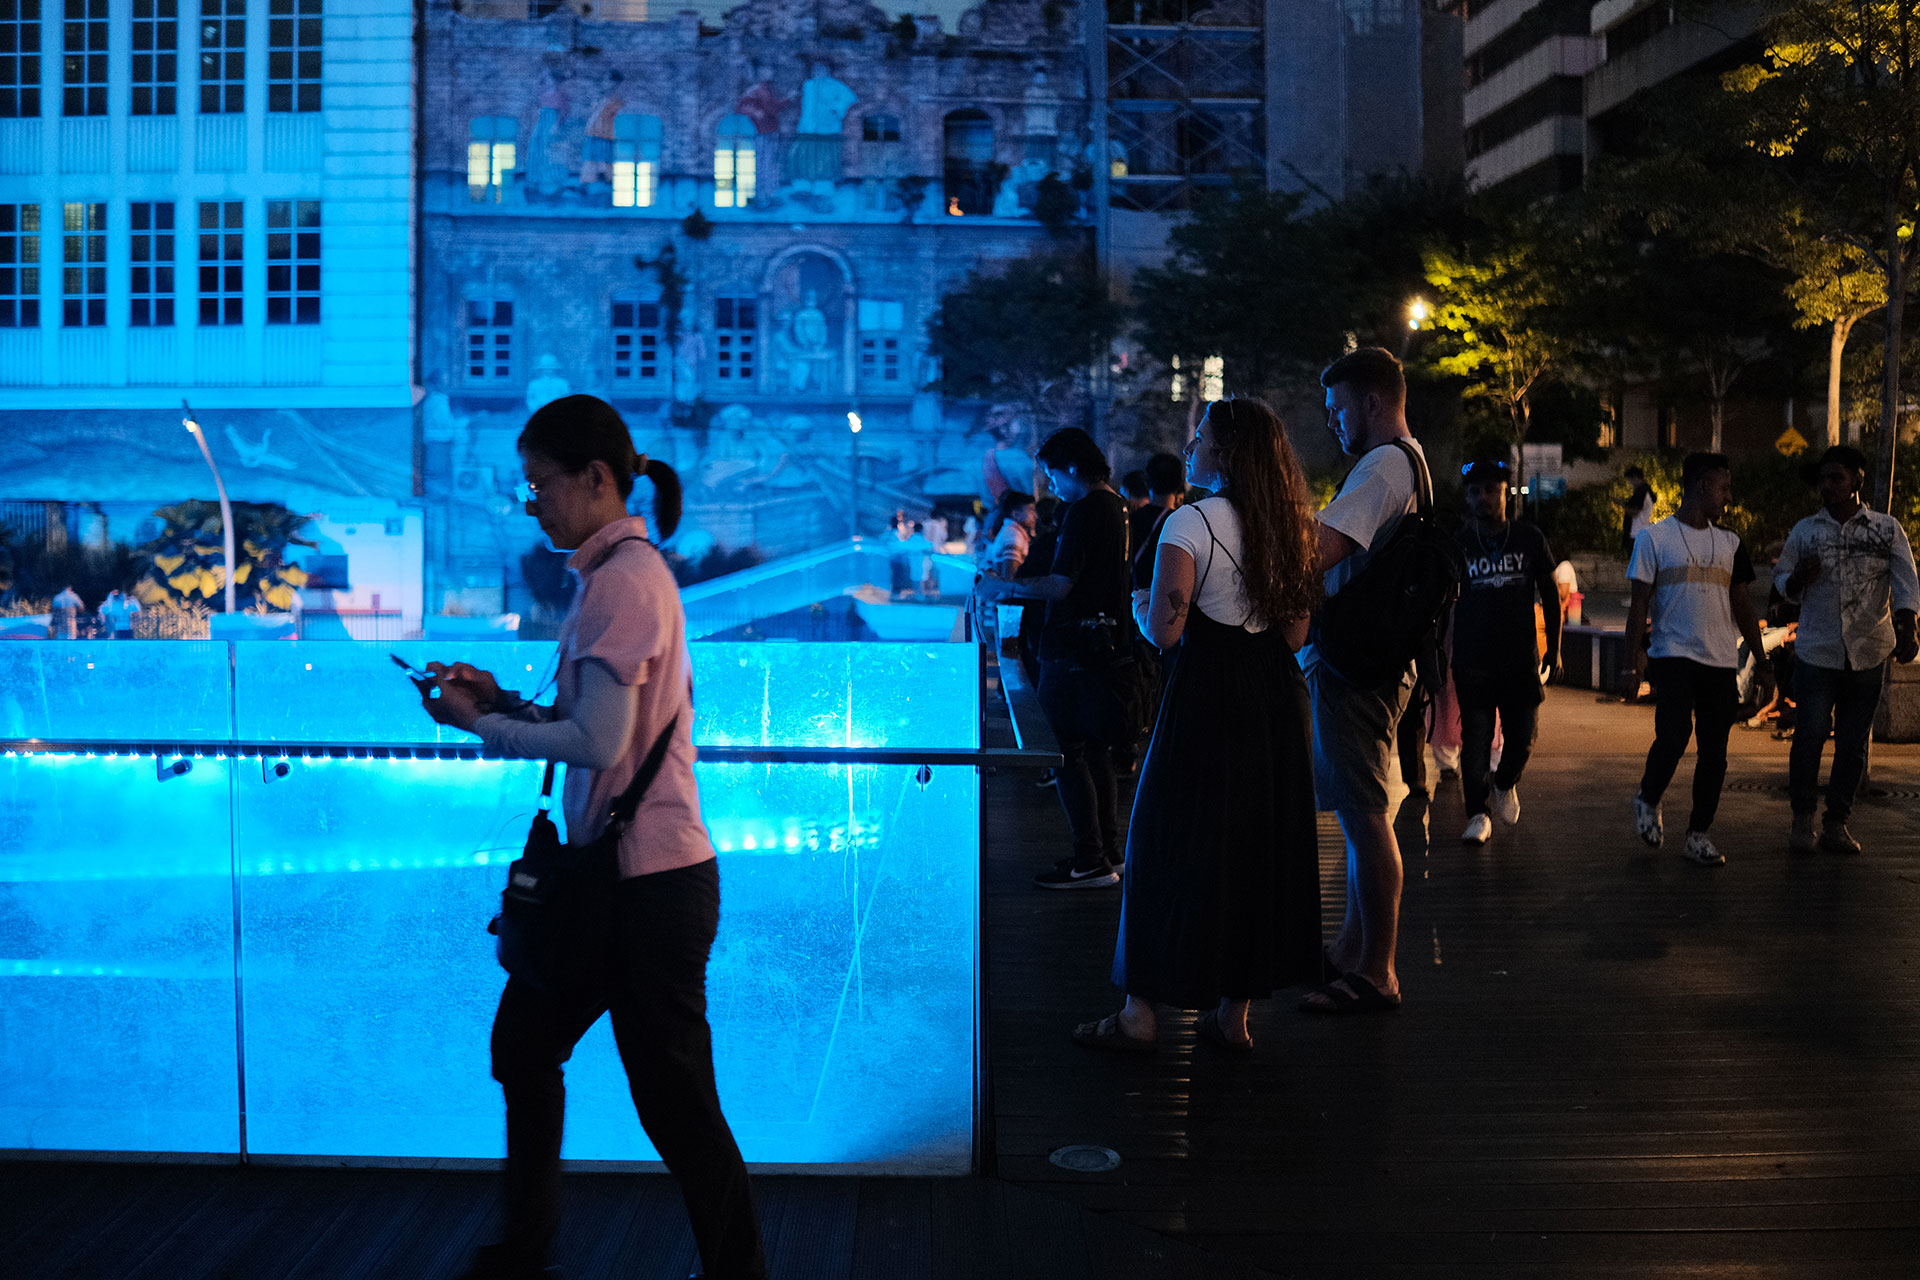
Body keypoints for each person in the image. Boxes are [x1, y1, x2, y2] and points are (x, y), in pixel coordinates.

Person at [420, 395, 766, 1280]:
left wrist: (480, 728)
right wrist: (501, 701)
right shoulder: (614, 575)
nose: (529, 500)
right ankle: (526, 1252)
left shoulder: (623, 582)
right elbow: (597, 728)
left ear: (596, 478)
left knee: (671, 1102)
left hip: (646, 891)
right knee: (531, 1050)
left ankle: (728, 1271)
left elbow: (599, 745)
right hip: (622, 883)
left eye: (540, 482)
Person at [1071, 399, 1322, 1053]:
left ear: (1227, 453)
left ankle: (1140, 1013)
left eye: (1200, 437)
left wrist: (1139, 606)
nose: (1190, 447)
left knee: (1164, 842)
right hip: (1274, 705)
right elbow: (1296, 633)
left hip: (1206, 699)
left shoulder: (1189, 523)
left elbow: (1166, 629)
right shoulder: (1294, 525)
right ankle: (1232, 1016)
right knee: (1254, 851)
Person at [1299, 347, 1422, 1015]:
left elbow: (1323, 550)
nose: (1332, 421)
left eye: (1337, 407)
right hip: (1381, 657)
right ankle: (1352, 949)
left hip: (1357, 662)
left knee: (1366, 817)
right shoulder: (1413, 460)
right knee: (1358, 814)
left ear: (1372, 403)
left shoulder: (1381, 466)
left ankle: (1377, 971)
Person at [975, 427, 1133, 888]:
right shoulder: (1117, 506)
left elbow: (1061, 584)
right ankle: (1109, 853)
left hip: (1073, 650)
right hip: (1105, 648)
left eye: (1052, 474)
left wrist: (1003, 587)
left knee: (1065, 753)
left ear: (1070, 468)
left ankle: (1089, 858)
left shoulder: (1083, 510)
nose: (1052, 486)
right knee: (1096, 751)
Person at [1774, 445, 1920, 855]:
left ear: (1856, 480)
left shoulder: (1886, 529)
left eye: (1835, 478)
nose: (1826, 486)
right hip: (1818, 650)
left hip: (1869, 648)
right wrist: (1797, 578)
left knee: (1853, 742)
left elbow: (1906, 580)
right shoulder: (1806, 531)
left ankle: (1836, 822)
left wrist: (1910, 627)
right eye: (1822, 479)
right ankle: (1802, 817)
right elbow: (1782, 578)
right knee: (1809, 736)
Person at [1625, 452, 1767, 867]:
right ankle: (1648, 799)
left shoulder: (1731, 543)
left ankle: (1698, 834)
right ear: (1703, 485)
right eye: (1724, 487)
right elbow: (1637, 605)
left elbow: (1743, 606)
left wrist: (1763, 661)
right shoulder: (1654, 539)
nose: (1728, 496)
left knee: (1715, 752)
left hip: (1720, 660)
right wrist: (1631, 663)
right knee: (1673, 735)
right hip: (1672, 655)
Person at [1451, 460, 1562, 846]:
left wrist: (1556, 649)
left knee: (1524, 736)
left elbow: (1549, 593)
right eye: (1474, 491)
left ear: (1505, 492)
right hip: (1472, 661)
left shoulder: (1528, 538)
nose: (1482, 498)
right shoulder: (1459, 544)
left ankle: (1505, 781)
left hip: (1519, 660)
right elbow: (1440, 604)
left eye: (1491, 490)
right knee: (1476, 741)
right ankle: (1477, 814)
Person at [1129, 452, 1186, 591]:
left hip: (1132, 598)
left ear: (1147, 481)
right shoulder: (1182, 523)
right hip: (1160, 598)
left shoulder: (1132, 518)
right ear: (1179, 483)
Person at [982, 489, 1037, 578]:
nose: (1035, 516)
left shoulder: (1010, 532)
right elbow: (1009, 576)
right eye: (1030, 510)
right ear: (1015, 514)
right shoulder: (1013, 535)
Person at [1618, 465, 1656, 557]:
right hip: (1642, 531)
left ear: (1635, 477)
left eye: (1629, 480)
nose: (1630, 483)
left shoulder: (1641, 491)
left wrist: (1622, 504)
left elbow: (1634, 512)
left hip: (1636, 533)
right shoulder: (1647, 491)